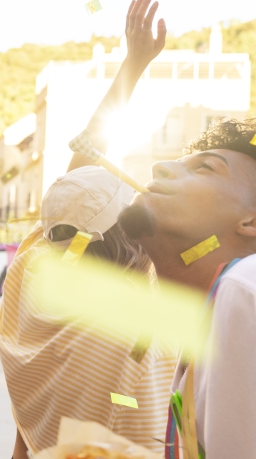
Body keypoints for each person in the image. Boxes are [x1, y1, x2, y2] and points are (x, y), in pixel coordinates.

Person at [0, 0, 178, 458]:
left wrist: (132, 65)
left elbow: (79, 191)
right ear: (129, 233)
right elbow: (85, 170)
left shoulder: (34, 269)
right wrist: (134, 64)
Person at [118, 116, 256, 457]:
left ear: (251, 221)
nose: (159, 167)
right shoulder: (209, 317)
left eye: (205, 168)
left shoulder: (243, 286)